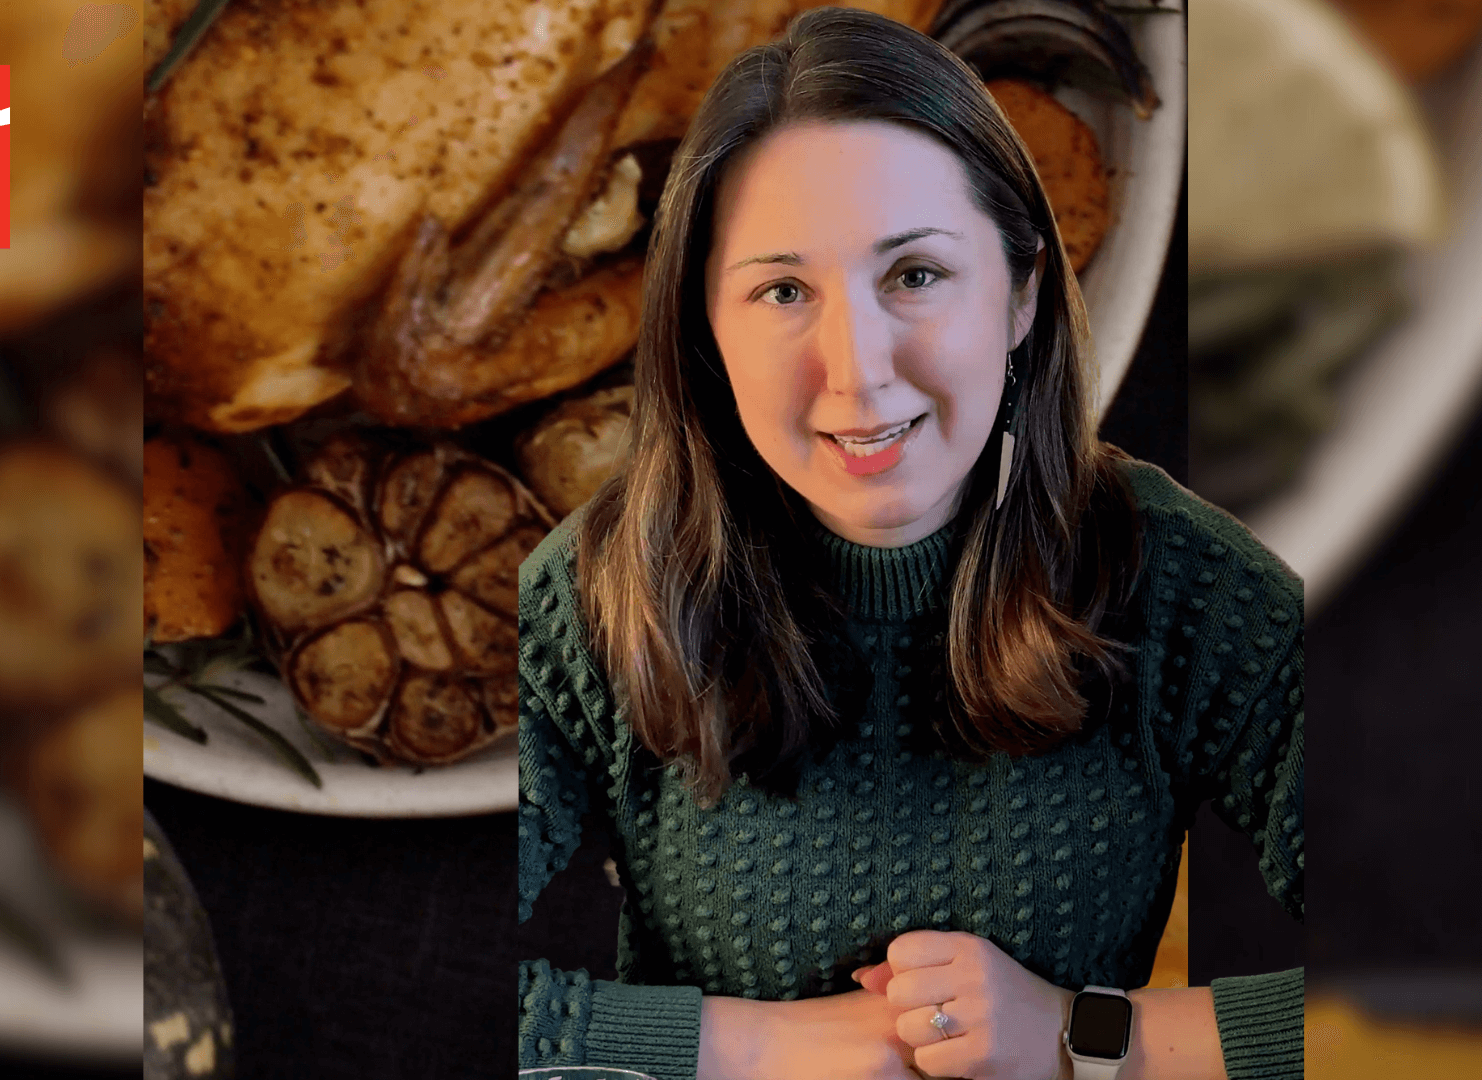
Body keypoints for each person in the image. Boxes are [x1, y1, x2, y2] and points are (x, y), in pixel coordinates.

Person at [518, 8, 1302, 1079]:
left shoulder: (1182, 579)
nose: (859, 370)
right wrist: (755, 1048)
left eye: (914, 275)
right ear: (704, 326)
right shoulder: (595, 591)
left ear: (1022, 291)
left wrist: (1079, 1037)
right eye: (782, 290)